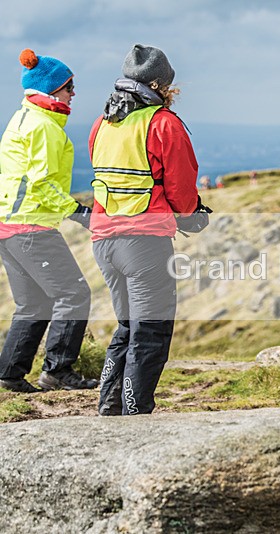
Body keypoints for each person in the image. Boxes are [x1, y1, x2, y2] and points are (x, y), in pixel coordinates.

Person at [89, 44, 202, 415]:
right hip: (144, 244)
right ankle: (136, 413)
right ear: (160, 84)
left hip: (103, 240)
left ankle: (108, 405)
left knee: (127, 325)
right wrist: (192, 215)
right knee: (151, 330)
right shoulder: (163, 123)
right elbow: (183, 195)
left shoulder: (102, 123)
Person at [0, 49, 98, 393]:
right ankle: (58, 370)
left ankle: (10, 373)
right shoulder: (44, 126)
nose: (74, 93)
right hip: (31, 227)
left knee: (34, 302)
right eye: (69, 87)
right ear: (51, 90)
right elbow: (42, 184)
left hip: (8, 226)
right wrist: (81, 213)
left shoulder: (23, 117)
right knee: (74, 294)